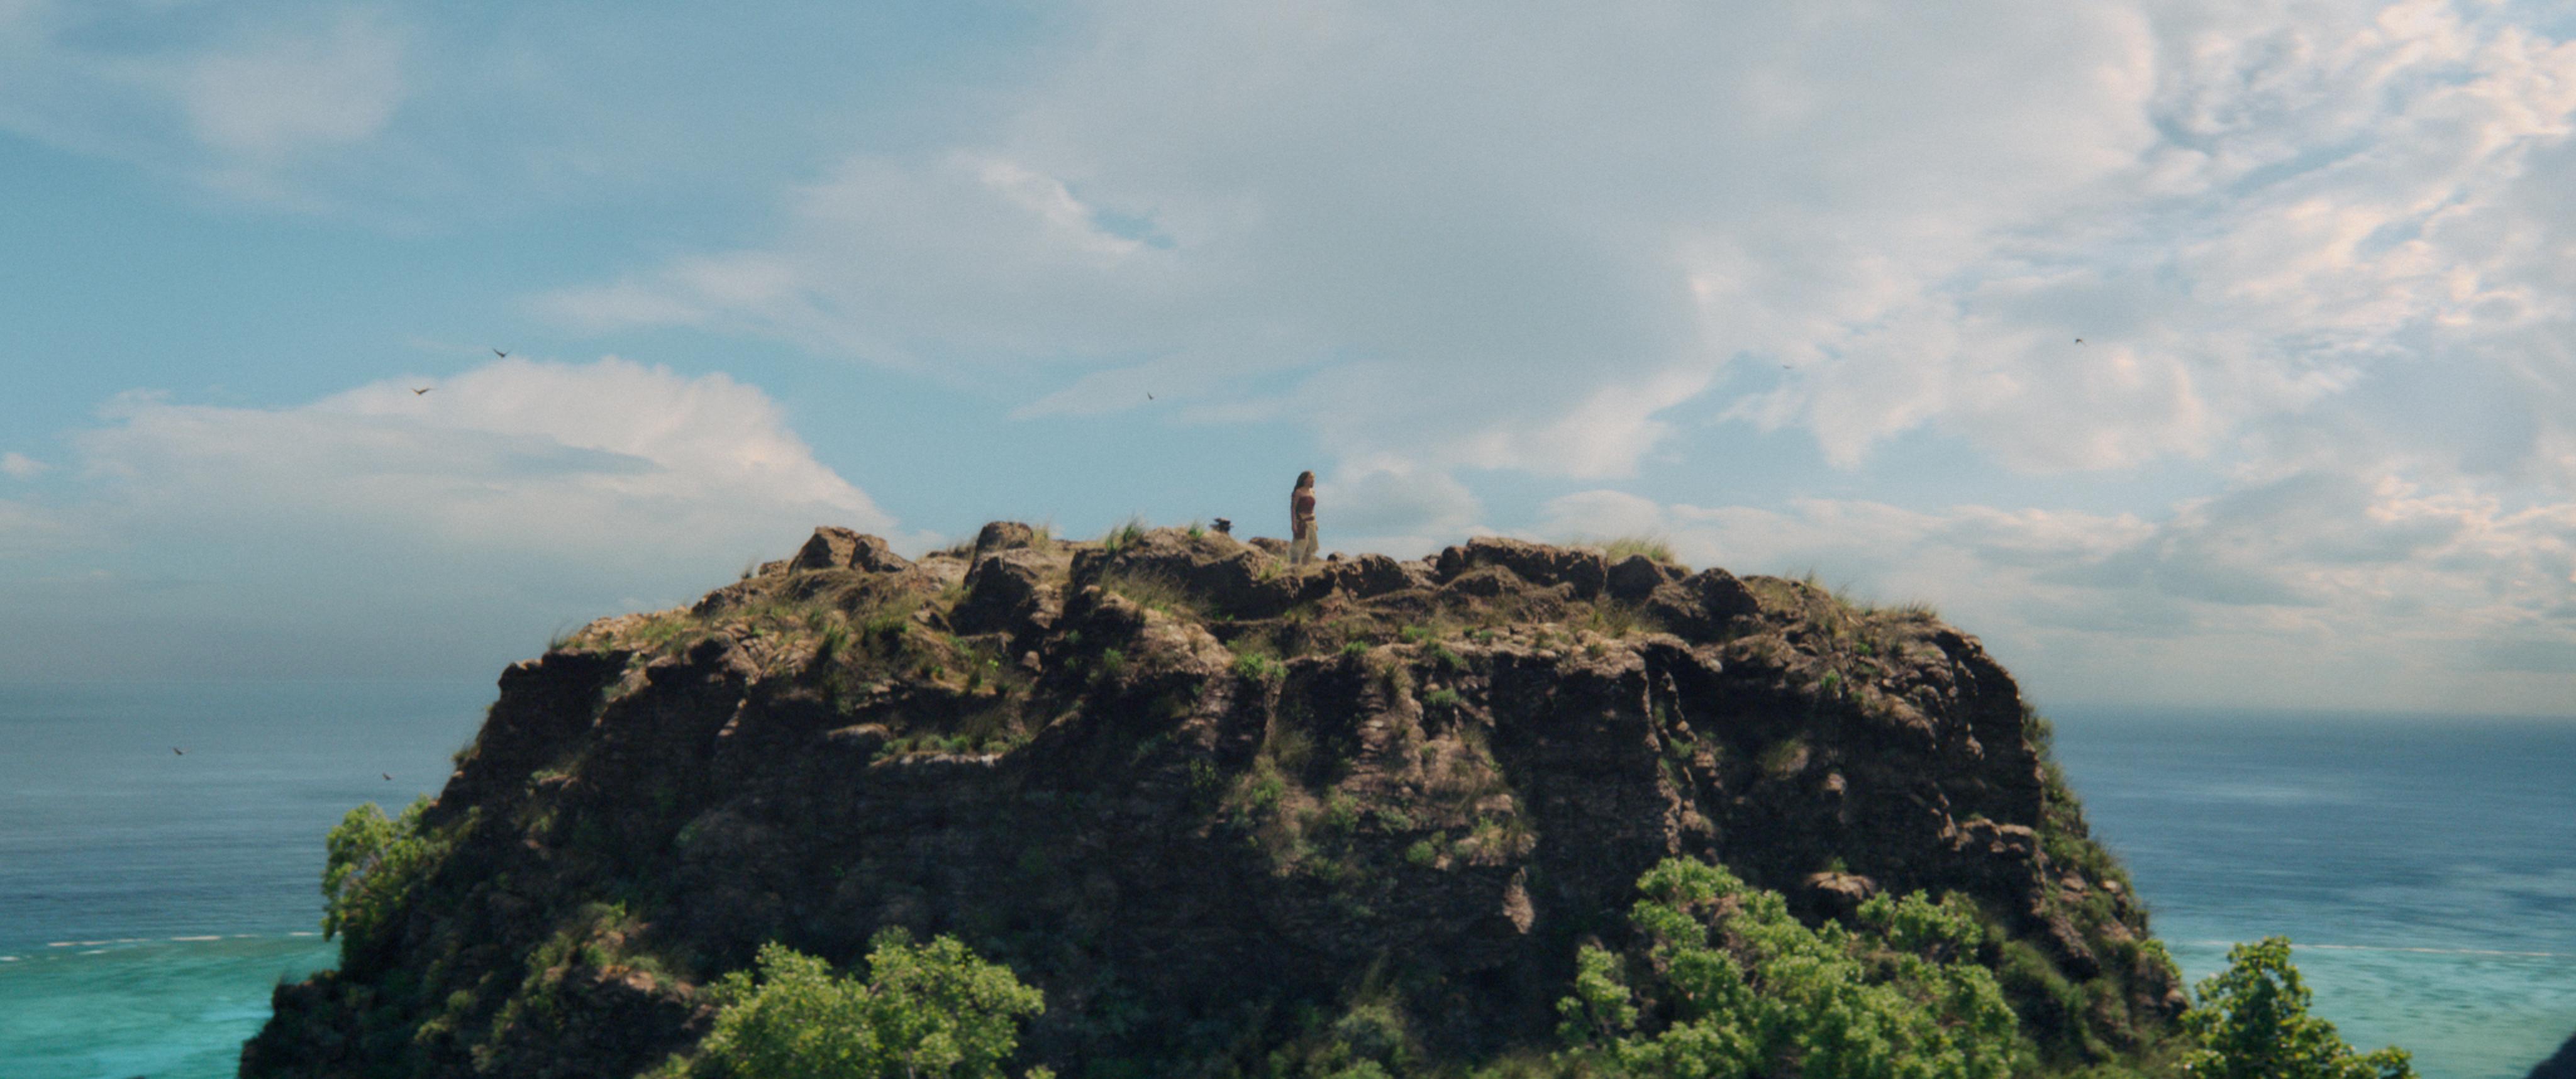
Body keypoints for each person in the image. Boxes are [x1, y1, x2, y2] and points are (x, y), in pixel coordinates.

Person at [1287, 471, 1318, 567]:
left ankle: (1306, 566)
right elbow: (1293, 508)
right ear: (1305, 479)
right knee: (1298, 546)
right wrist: (1294, 524)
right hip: (1301, 522)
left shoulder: (1312, 492)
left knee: (1310, 546)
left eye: (1313, 478)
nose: (1312, 480)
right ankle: (1294, 566)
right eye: (1310, 478)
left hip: (1311, 522)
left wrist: (1316, 523)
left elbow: (1312, 509)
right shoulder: (1299, 492)